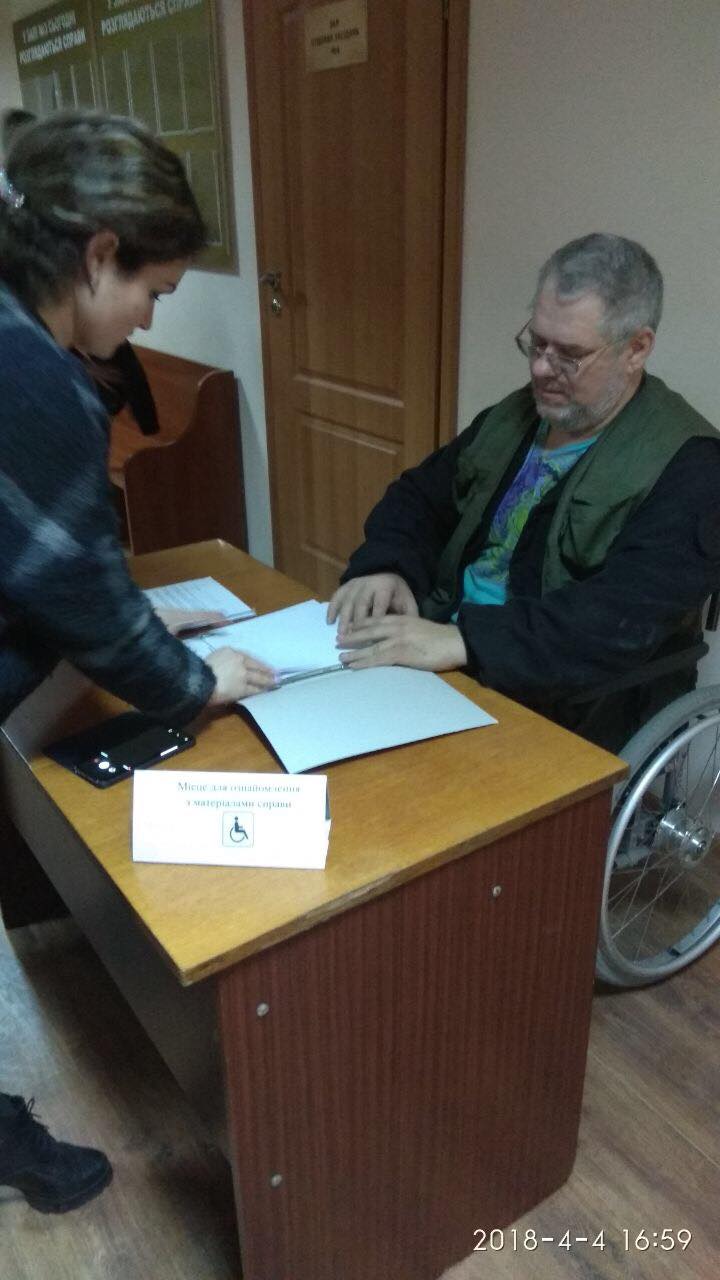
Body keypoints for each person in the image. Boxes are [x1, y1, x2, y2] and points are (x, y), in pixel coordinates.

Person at [0, 110, 276, 1212]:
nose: (151, 317)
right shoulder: (35, 378)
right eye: (153, 291)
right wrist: (199, 681)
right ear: (99, 252)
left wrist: (124, 607)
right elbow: (78, 598)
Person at [330, 233, 720, 751]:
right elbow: (420, 497)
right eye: (537, 343)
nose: (540, 369)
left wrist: (464, 641)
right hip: (447, 651)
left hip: (557, 696)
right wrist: (387, 565)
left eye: (570, 355)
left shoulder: (691, 468)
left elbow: (615, 618)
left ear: (636, 348)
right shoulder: (517, 417)